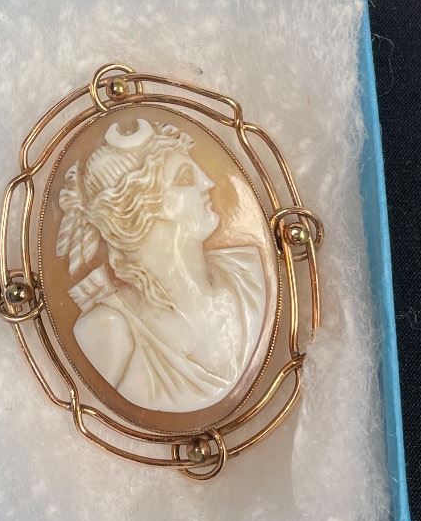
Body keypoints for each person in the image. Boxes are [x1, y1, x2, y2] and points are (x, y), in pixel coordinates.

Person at [55, 116, 265, 412]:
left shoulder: (250, 273)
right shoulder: (107, 331)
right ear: (139, 208)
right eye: (185, 178)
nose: (208, 183)